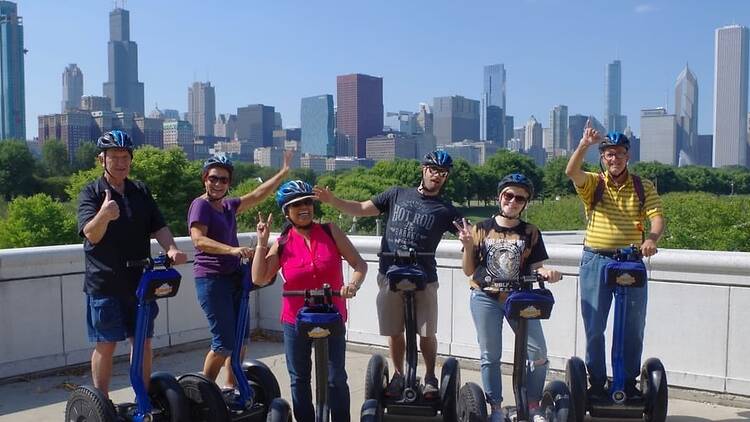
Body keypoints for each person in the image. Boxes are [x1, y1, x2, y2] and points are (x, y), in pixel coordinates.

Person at [313, 150, 462, 399]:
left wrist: (472, 240)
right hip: (390, 274)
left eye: (443, 173)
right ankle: (398, 374)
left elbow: (471, 236)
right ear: (423, 170)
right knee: (395, 330)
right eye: (433, 170)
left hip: (425, 278)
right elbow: (361, 208)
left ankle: (429, 377)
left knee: (426, 332)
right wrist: (333, 201)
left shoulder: (446, 210)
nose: (437, 176)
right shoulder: (396, 194)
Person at [77, 130, 188, 397]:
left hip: (140, 279)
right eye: (113, 156)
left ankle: (143, 398)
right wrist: (103, 215)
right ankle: (101, 403)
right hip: (105, 282)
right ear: (100, 159)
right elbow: (90, 234)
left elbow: (158, 225)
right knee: (107, 344)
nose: (120, 162)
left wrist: (171, 248)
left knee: (143, 342)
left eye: (125, 156)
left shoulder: (140, 190)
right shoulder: (91, 192)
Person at [252, 180, 367, 422]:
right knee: (299, 378)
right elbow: (260, 277)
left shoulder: (330, 231)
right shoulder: (282, 242)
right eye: (297, 204)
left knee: (336, 378)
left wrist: (352, 285)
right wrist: (262, 243)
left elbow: (359, 264)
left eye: (307, 202)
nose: (304, 207)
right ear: (287, 211)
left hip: (332, 314)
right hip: (296, 319)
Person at [565, 123, 665, 399]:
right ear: (603, 158)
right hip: (596, 260)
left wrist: (652, 239)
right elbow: (571, 172)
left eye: (619, 153)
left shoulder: (642, 186)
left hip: (631, 261)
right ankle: (596, 383)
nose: (614, 159)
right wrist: (584, 144)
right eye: (608, 154)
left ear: (627, 156)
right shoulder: (594, 183)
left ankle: (627, 382)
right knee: (594, 326)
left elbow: (656, 217)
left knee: (632, 325)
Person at [455, 173, 562, 422]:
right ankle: (496, 408)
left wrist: (547, 273)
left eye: (519, 198)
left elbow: (538, 267)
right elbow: (469, 270)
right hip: (485, 297)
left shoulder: (531, 232)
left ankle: (533, 405)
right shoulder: (481, 228)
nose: (512, 201)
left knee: (538, 354)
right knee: (490, 355)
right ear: (500, 196)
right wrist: (469, 245)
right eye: (508, 195)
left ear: (525, 203)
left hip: (521, 299)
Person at [187, 150, 292, 389]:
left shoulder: (228, 206)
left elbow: (257, 195)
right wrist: (232, 250)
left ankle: (231, 389)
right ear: (205, 178)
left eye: (223, 179)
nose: (217, 183)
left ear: (229, 183)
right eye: (213, 178)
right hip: (211, 280)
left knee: (240, 340)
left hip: (235, 278)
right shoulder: (200, 205)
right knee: (223, 342)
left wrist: (282, 173)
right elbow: (198, 240)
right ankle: (204, 392)